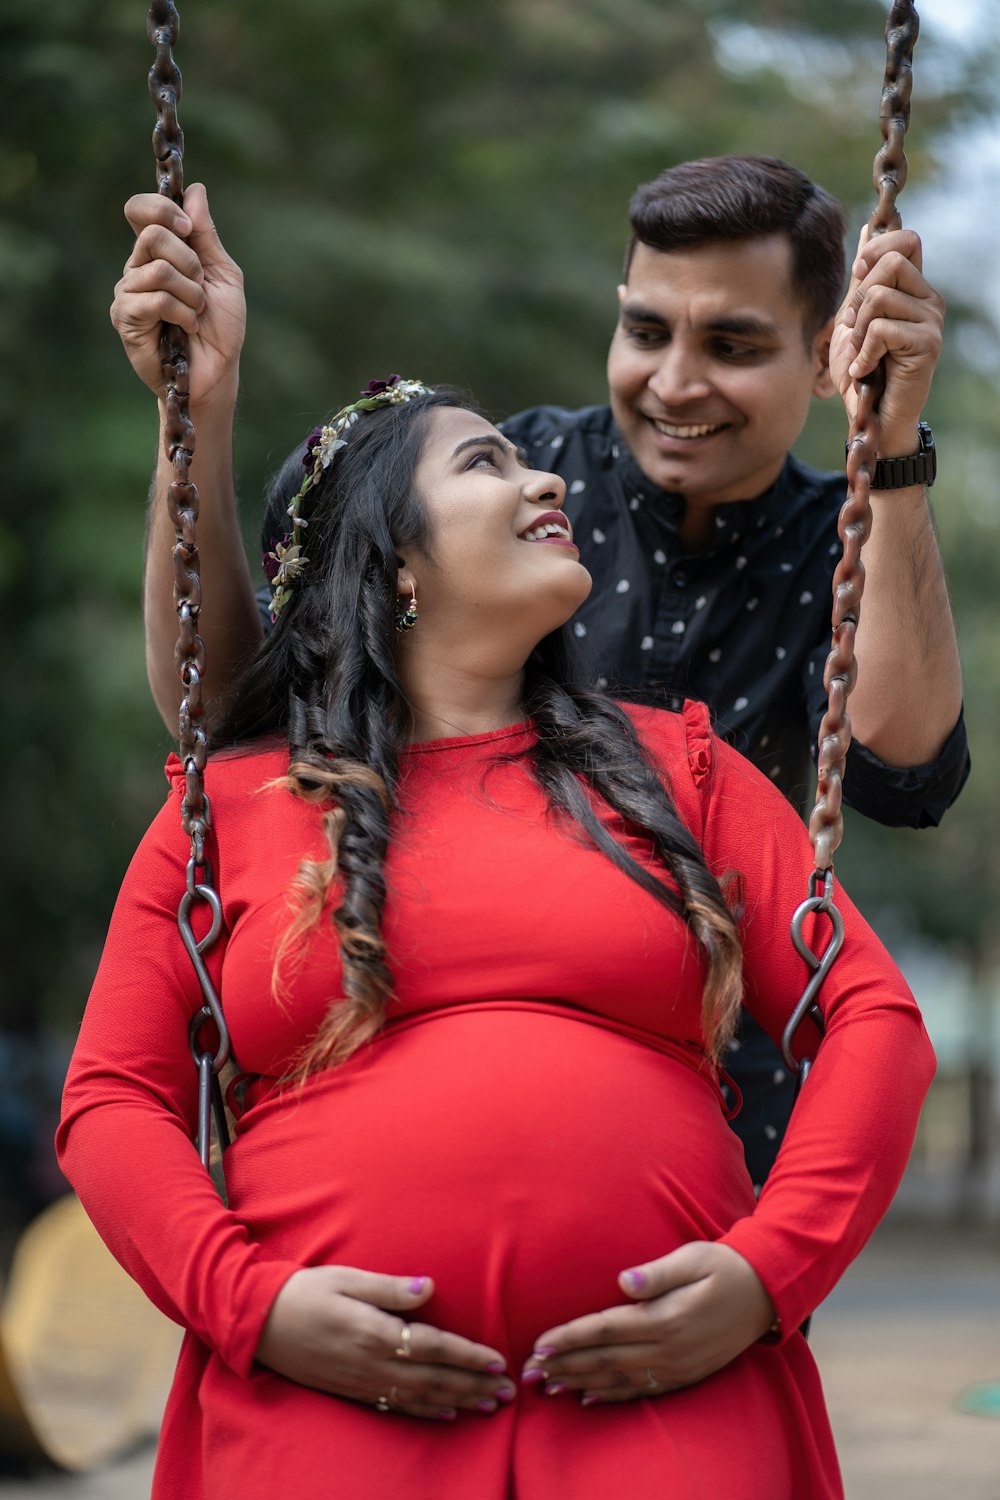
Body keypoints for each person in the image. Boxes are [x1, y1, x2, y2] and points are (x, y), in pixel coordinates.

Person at [59, 375, 935, 1499]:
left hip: (668, 1404)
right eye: (484, 464)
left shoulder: (683, 772)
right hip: (326, 1413)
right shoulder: (230, 809)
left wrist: (768, 1273)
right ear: (392, 564)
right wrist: (249, 1303)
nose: (548, 476)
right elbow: (112, 1098)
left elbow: (871, 1018)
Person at [111, 154, 967, 1191]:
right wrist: (191, 415)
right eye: (645, 331)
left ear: (831, 356)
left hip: (717, 1118)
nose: (674, 381)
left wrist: (893, 457)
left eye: (731, 345)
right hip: (402, 1036)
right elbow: (248, 714)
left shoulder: (846, 549)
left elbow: (905, 762)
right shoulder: (513, 495)